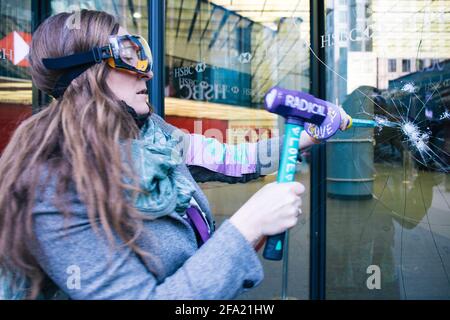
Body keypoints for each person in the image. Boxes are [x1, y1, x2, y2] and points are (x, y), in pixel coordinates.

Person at [0, 10, 347, 300]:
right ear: (86, 72)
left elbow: (227, 158)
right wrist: (248, 226)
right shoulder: (53, 187)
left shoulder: (149, 130)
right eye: (130, 55)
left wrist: (304, 138)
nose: (148, 72)